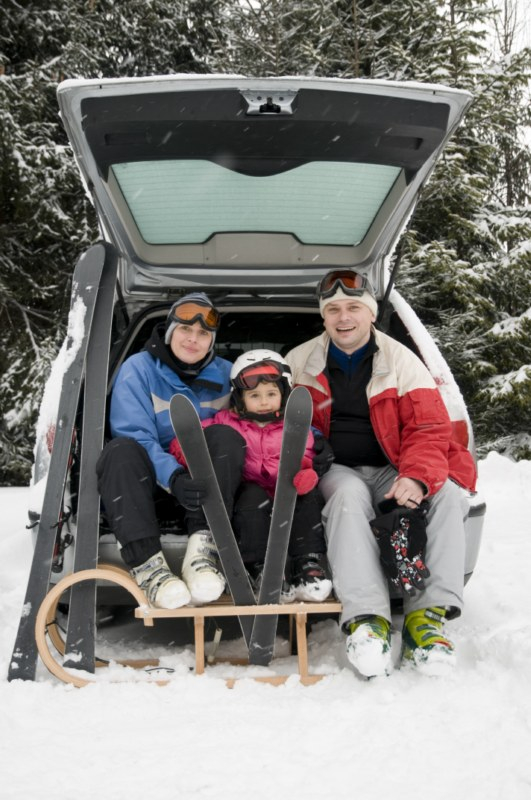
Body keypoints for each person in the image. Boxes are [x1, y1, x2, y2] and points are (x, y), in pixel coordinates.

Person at [284, 269, 477, 677]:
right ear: (324, 317)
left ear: (370, 313)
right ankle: (367, 620)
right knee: (348, 497)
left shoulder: (403, 361)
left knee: (445, 495)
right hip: (337, 468)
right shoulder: (299, 362)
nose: (343, 317)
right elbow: (277, 426)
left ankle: (427, 621)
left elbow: (429, 428)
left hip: (393, 466)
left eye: (353, 307)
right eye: (333, 309)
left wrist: (417, 476)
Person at [96, 292, 235, 610]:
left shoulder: (228, 375)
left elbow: (263, 421)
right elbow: (135, 434)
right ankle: (149, 568)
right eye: (186, 329)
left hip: (211, 493)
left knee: (225, 437)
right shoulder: (138, 369)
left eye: (203, 333)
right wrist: (173, 477)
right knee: (120, 451)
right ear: (170, 331)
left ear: (212, 341)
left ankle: (203, 553)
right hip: (152, 488)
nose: (193, 339)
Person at [169, 349, 333, 602]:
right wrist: (186, 455)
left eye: (271, 394)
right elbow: (190, 442)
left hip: (286, 490)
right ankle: (257, 567)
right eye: (254, 395)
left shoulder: (297, 426)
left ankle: (306, 564)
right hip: (249, 492)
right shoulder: (225, 421)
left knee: (306, 499)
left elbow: (311, 455)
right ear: (240, 398)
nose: (264, 401)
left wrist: (308, 469)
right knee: (252, 501)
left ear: (284, 395)